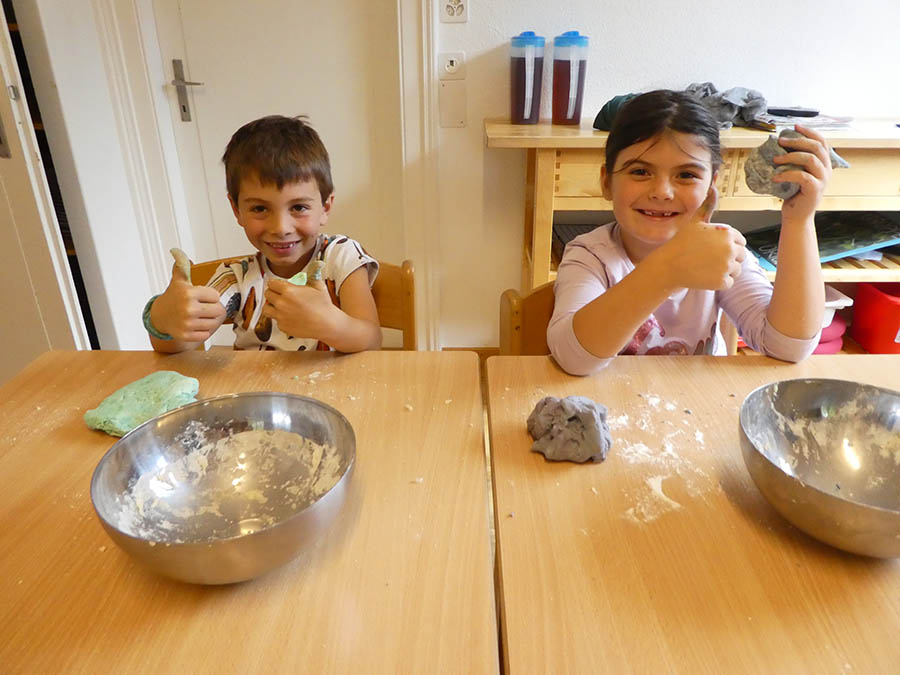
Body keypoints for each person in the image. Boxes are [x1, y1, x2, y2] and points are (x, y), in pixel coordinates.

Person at [548, 90, 830, 375]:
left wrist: (799, 220)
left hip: (699, 408)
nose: (661, 192)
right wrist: (668, 270)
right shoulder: (591, 255)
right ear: (607, 182)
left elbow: (789, 347)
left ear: (711, 185)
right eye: (640, 172)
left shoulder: (721, 249)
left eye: (686, 175)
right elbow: (574, 358)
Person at [143, 115, 382, 353]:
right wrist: (164, 317)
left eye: (298, 207)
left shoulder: (341, 257)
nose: (280, 227)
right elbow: (176, 346)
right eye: (260, 208)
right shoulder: (236, 278)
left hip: (332, 389)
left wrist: (331, 325)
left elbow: (371, 341)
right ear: (237, 210)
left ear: (325, 208)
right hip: (256, 389)